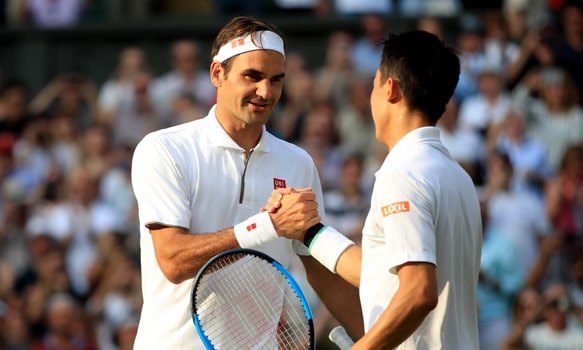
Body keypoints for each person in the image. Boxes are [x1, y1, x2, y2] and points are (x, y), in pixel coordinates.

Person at [130, 16, 363, 349]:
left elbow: (323, 271)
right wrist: (266, 226)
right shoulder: (164, 149)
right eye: (252, 77)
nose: (265, 92)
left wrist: (381, 341)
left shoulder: (298, 163)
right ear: (217, 74)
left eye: (276, 80)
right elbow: (172, 260)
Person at [270, 29, 482, 349]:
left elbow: (418, 292)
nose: (371, 96)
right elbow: (381, 273)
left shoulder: (403, 174)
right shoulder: (456, 175)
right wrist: (309, 233)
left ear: (390, 89)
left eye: (373, 85)